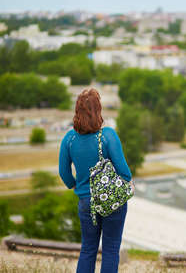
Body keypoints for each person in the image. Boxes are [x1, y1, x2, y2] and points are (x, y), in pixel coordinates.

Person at [59, 88, 133, 273]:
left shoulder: (69, 139)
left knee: (88, 250)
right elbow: (125, 173)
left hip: (86, 203)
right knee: (110, 250)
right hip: (112, 203)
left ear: (77, 111)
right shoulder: (108, 135)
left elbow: (64, 173)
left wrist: (76, 185)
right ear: (98, 110)